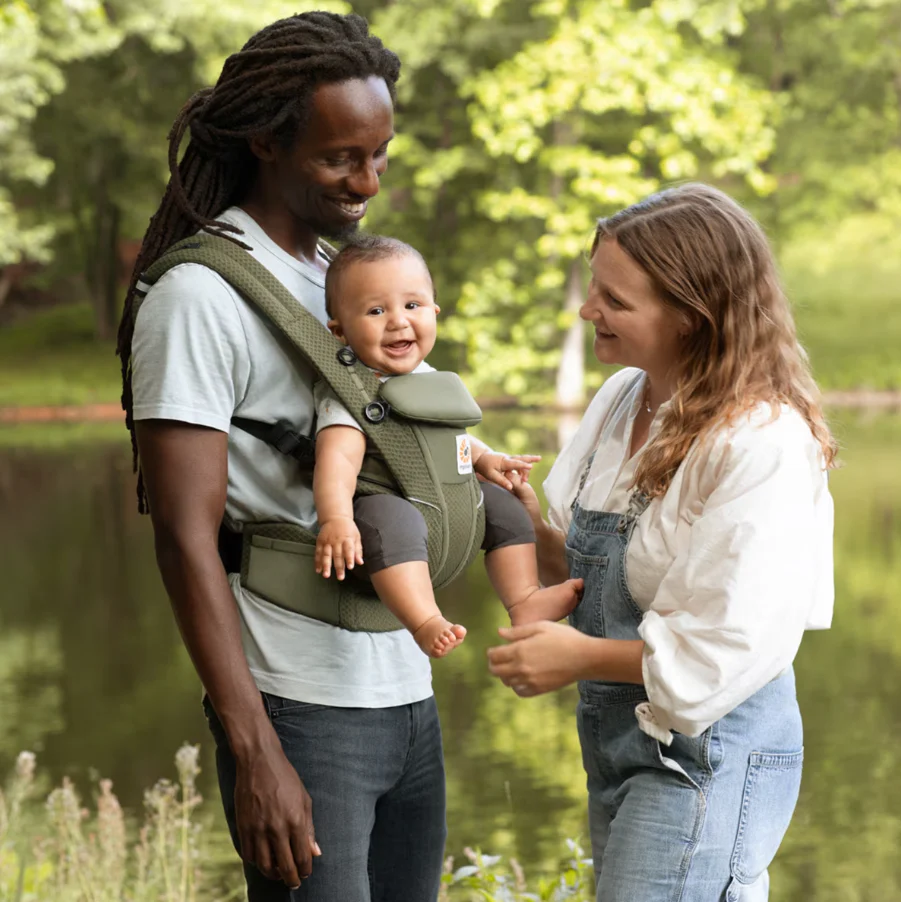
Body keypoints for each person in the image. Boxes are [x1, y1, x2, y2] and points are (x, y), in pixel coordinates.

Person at [117, 12, 449, 901]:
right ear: (267, 141)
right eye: (343, 157)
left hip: (404, 692)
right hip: (300, 708)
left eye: (380, 154)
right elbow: (185, 540)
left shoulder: (350, 279)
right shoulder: (199, 296)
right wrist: (254, 748)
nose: (368, 180)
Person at [486, 183, 836, 901]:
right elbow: (599, 570)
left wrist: (576, 656)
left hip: (709, 753)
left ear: (689, 315)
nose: (588, 311)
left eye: (613, 300)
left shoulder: (758, 442)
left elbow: (721, 650)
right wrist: (516, 519)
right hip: (623, 742)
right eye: (593, 290)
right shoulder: (623, 398)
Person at [312, 235, 583, 656]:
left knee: (505, 507)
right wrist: (336, 519)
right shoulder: (351, 394)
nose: (398, 321)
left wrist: (486, 457)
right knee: (390, 521)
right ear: (340, 330)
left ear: (434, 313)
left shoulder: (430, 378)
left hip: (445, 498)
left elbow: (450, 434)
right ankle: (425, 619)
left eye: (412, 306)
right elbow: (337, 460)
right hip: (387, 498)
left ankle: (524, 599)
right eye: (376, 310)